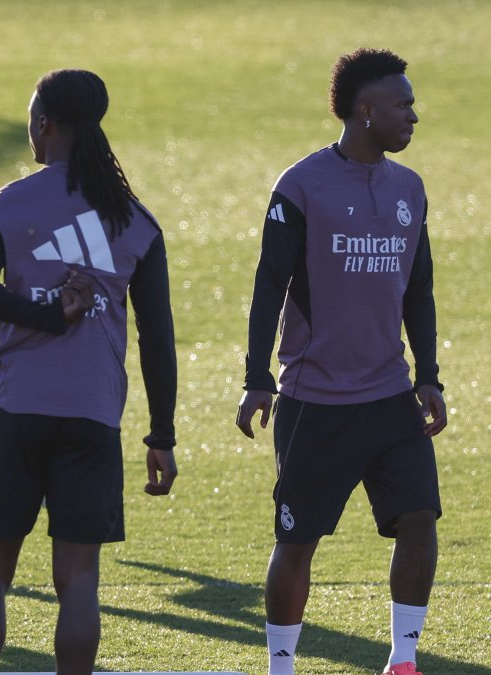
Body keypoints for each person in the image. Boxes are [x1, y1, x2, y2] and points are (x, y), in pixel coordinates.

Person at [0, 69, 178, 673]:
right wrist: (161, 435)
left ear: (45, 124)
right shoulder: (135, 219)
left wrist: (39, 315)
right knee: (77, 580)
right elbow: (158, 339)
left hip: (18, 409)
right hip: (92, 415)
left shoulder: (7, 205)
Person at [235, 48, 444, 675]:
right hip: (315, 401)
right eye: (402, 104)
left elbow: (419, 289)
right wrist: (254, 379)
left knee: (420, 518)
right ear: (365, 110)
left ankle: (402, 661)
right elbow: (268, 286)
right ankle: (281, 666)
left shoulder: (409, 188)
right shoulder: (300, 187)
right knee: (296, 542)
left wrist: (428, 375)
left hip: (389, 395)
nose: (413, 115)